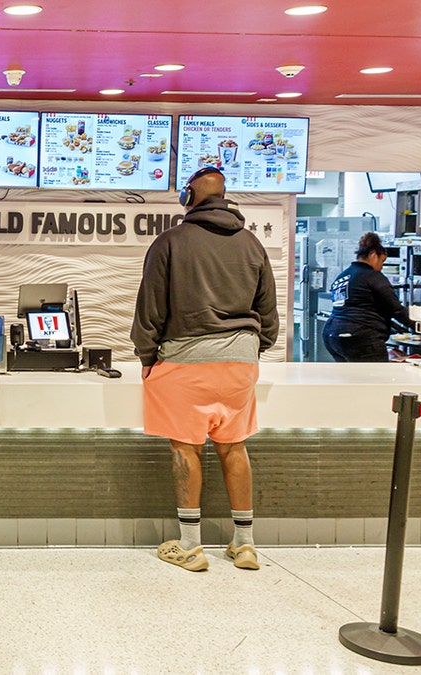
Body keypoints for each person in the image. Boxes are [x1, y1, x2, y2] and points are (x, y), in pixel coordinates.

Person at [131, 167, 278, 573]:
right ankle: (245, 544)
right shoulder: (252, 244)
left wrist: (147, 358)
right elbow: (268, 315)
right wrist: (251, 351)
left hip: (184, 361)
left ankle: (191, 545)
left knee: (185, 447)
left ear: (187, 196)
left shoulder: (170, 242)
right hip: (241, 362)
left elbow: (150, 311)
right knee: (234, 445)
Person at [323, 232, 412, 362]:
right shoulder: (373, 276)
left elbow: (360, 306)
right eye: (382, 261)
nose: (381, 267)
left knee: (348, 379)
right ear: (373, 255)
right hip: (360, 337)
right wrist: (419, 327)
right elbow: (395, 308)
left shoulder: (343, 276)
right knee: (374, 379)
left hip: (332, 336)